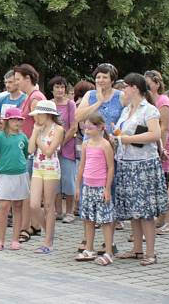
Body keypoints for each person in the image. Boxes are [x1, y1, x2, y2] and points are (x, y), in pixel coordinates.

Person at [114, 73, 167, 266]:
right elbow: (122, 132)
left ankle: (150, 252)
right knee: (133, 209)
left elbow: (155, 134)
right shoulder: (127, 109)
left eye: (125, 87)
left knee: (145, 211)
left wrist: (128, 139)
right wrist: (118, 135)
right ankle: (137, 248)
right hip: (126, 162)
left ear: (134, 88)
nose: (123, 90)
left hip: (143, 164)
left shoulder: (149, 109)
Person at [74, 113, 116, 266]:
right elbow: (82, 165)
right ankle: (89, 248)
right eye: (85, 127)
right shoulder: (86, 144)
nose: (86, 131)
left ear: (100, 127)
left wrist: (107, 188)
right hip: (87, 186)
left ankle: (109, 252)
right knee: (88, 219)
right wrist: (78, 186)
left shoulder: (105, 145)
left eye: (90, 128)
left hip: (100, 187)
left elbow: (110, 167)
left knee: (105, 220)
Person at [0, 107, 30, 251]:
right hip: (5, 174)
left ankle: (15, 239)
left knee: (18, 206)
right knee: (4, 207)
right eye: (13, 119)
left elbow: (25, 153)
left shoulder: (23, 137)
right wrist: (1, 161)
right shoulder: (0, 136)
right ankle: (0, 240)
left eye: (19, 119)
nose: (17, 122)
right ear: (7, 121)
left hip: (20, 174)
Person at [27, 100, 65, 254]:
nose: (36, 118)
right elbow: (30, 150)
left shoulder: (59, 129)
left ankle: (48, 241)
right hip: (37, 167)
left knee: (48, 206)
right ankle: (48, 231)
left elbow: (49, 151)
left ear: (47, 114)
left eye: (38, 114)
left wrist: (37, 139)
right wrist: (35, 133)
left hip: (51, 169)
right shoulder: (38, 128)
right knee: (34, 204)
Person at [14, 63, 45, 239]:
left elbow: (40, 124)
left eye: (18, 79)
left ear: (28, 78)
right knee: (28, 191)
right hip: (28, 149)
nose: (16, 83)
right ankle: (34, 225)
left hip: (33, 151)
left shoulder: (35, 98)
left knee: (28, 192)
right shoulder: (29, 96)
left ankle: (26, 227)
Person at [144, 70, 169, 235]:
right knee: (158, 183)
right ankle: (161, 219)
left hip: (164, 146)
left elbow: (164, 127)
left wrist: (160, 147)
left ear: (157, 84)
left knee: (166, 183)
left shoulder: (163, 101)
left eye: (148, 83)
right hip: (152, 145)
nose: (146, 86)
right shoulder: (148, 101)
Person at [49, 76, 78, 223]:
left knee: (68, 180)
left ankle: (70, 212)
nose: (60, 90)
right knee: (55, 180)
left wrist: (60, 142)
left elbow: (73, 127)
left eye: (62, 87)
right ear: (52, 89)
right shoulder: (49, 104)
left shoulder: (70, 104)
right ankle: (58, 211)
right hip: (51, 148)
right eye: (57, 87)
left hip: (67, 148)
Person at [75, 63, 123, 135]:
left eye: (105, 77)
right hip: (91, 142)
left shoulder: (121, 95)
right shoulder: (89, 94)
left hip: (113, 141)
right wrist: (99, 102)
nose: (101, 80)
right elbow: (77, 117)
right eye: (98, 77)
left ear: (112, 81)